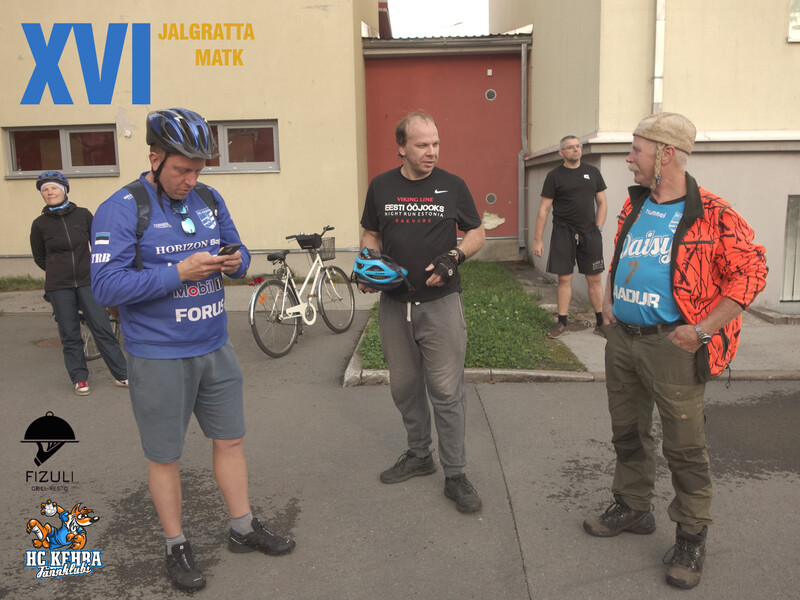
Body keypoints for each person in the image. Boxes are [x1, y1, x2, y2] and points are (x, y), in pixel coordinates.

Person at [90, 108, 295, 592]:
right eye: (182, 170)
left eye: (198, 170)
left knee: (230, 440)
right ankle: (175, 545)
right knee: (166, 457)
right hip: (158, 354)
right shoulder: (122, 207)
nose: (191, 180)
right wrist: (177, 273)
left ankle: (242, 527)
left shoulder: (208, 197)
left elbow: (240, 252)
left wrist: (233, 263)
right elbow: (105, 286)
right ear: (154, 158)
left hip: (215, 345)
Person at [583, 113, 767, 589]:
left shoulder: (714, 212)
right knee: (627, 430)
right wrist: (609, 303)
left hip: (673, 345)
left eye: (636, 150)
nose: (628, 158)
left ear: (665, 154)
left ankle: (691, 536)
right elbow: (625, 254)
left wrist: (702, 331)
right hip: (623, 338)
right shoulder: (636, 204)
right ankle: (633, 506)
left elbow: (752, 272)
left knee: (684, 446)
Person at [359, 111, 486, 513]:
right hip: (395, 305)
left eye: (436, 143)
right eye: (422, 145)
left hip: (440, 305)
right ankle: (419, 454)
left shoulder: (453, 185)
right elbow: (371, 233)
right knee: (404, 388)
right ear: (401, 147)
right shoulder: (381, 186)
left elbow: (477, 232)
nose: (432, 152)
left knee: (446, 392)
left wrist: (455, 256)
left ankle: (455, 474)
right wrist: (368, 263)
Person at [29, 171, 128, 396]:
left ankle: (122, 374)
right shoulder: (39, 224)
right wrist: (57, 270)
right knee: (70, 333)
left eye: (54, 188)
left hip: (88, 280)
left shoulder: (83, 215)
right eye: (45, 190)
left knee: (102, 328)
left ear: (64, 190)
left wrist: (98, 269)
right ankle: (79, 378)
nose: (49, 192)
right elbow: (39, 257)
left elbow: (98, 245)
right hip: (58, 286)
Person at [532, 135, 608, 337]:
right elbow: (544, 209)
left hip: (590, 233)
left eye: (578, 146)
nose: (576, 149)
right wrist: (538, 240)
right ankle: (562, 323)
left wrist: (599, 228)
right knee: (565, 278)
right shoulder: (554, 176)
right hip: (563, 233)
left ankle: (601, 323)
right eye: (571, 147)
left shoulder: (593, 172)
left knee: (594, 278)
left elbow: (602, 202)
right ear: (561, 153)